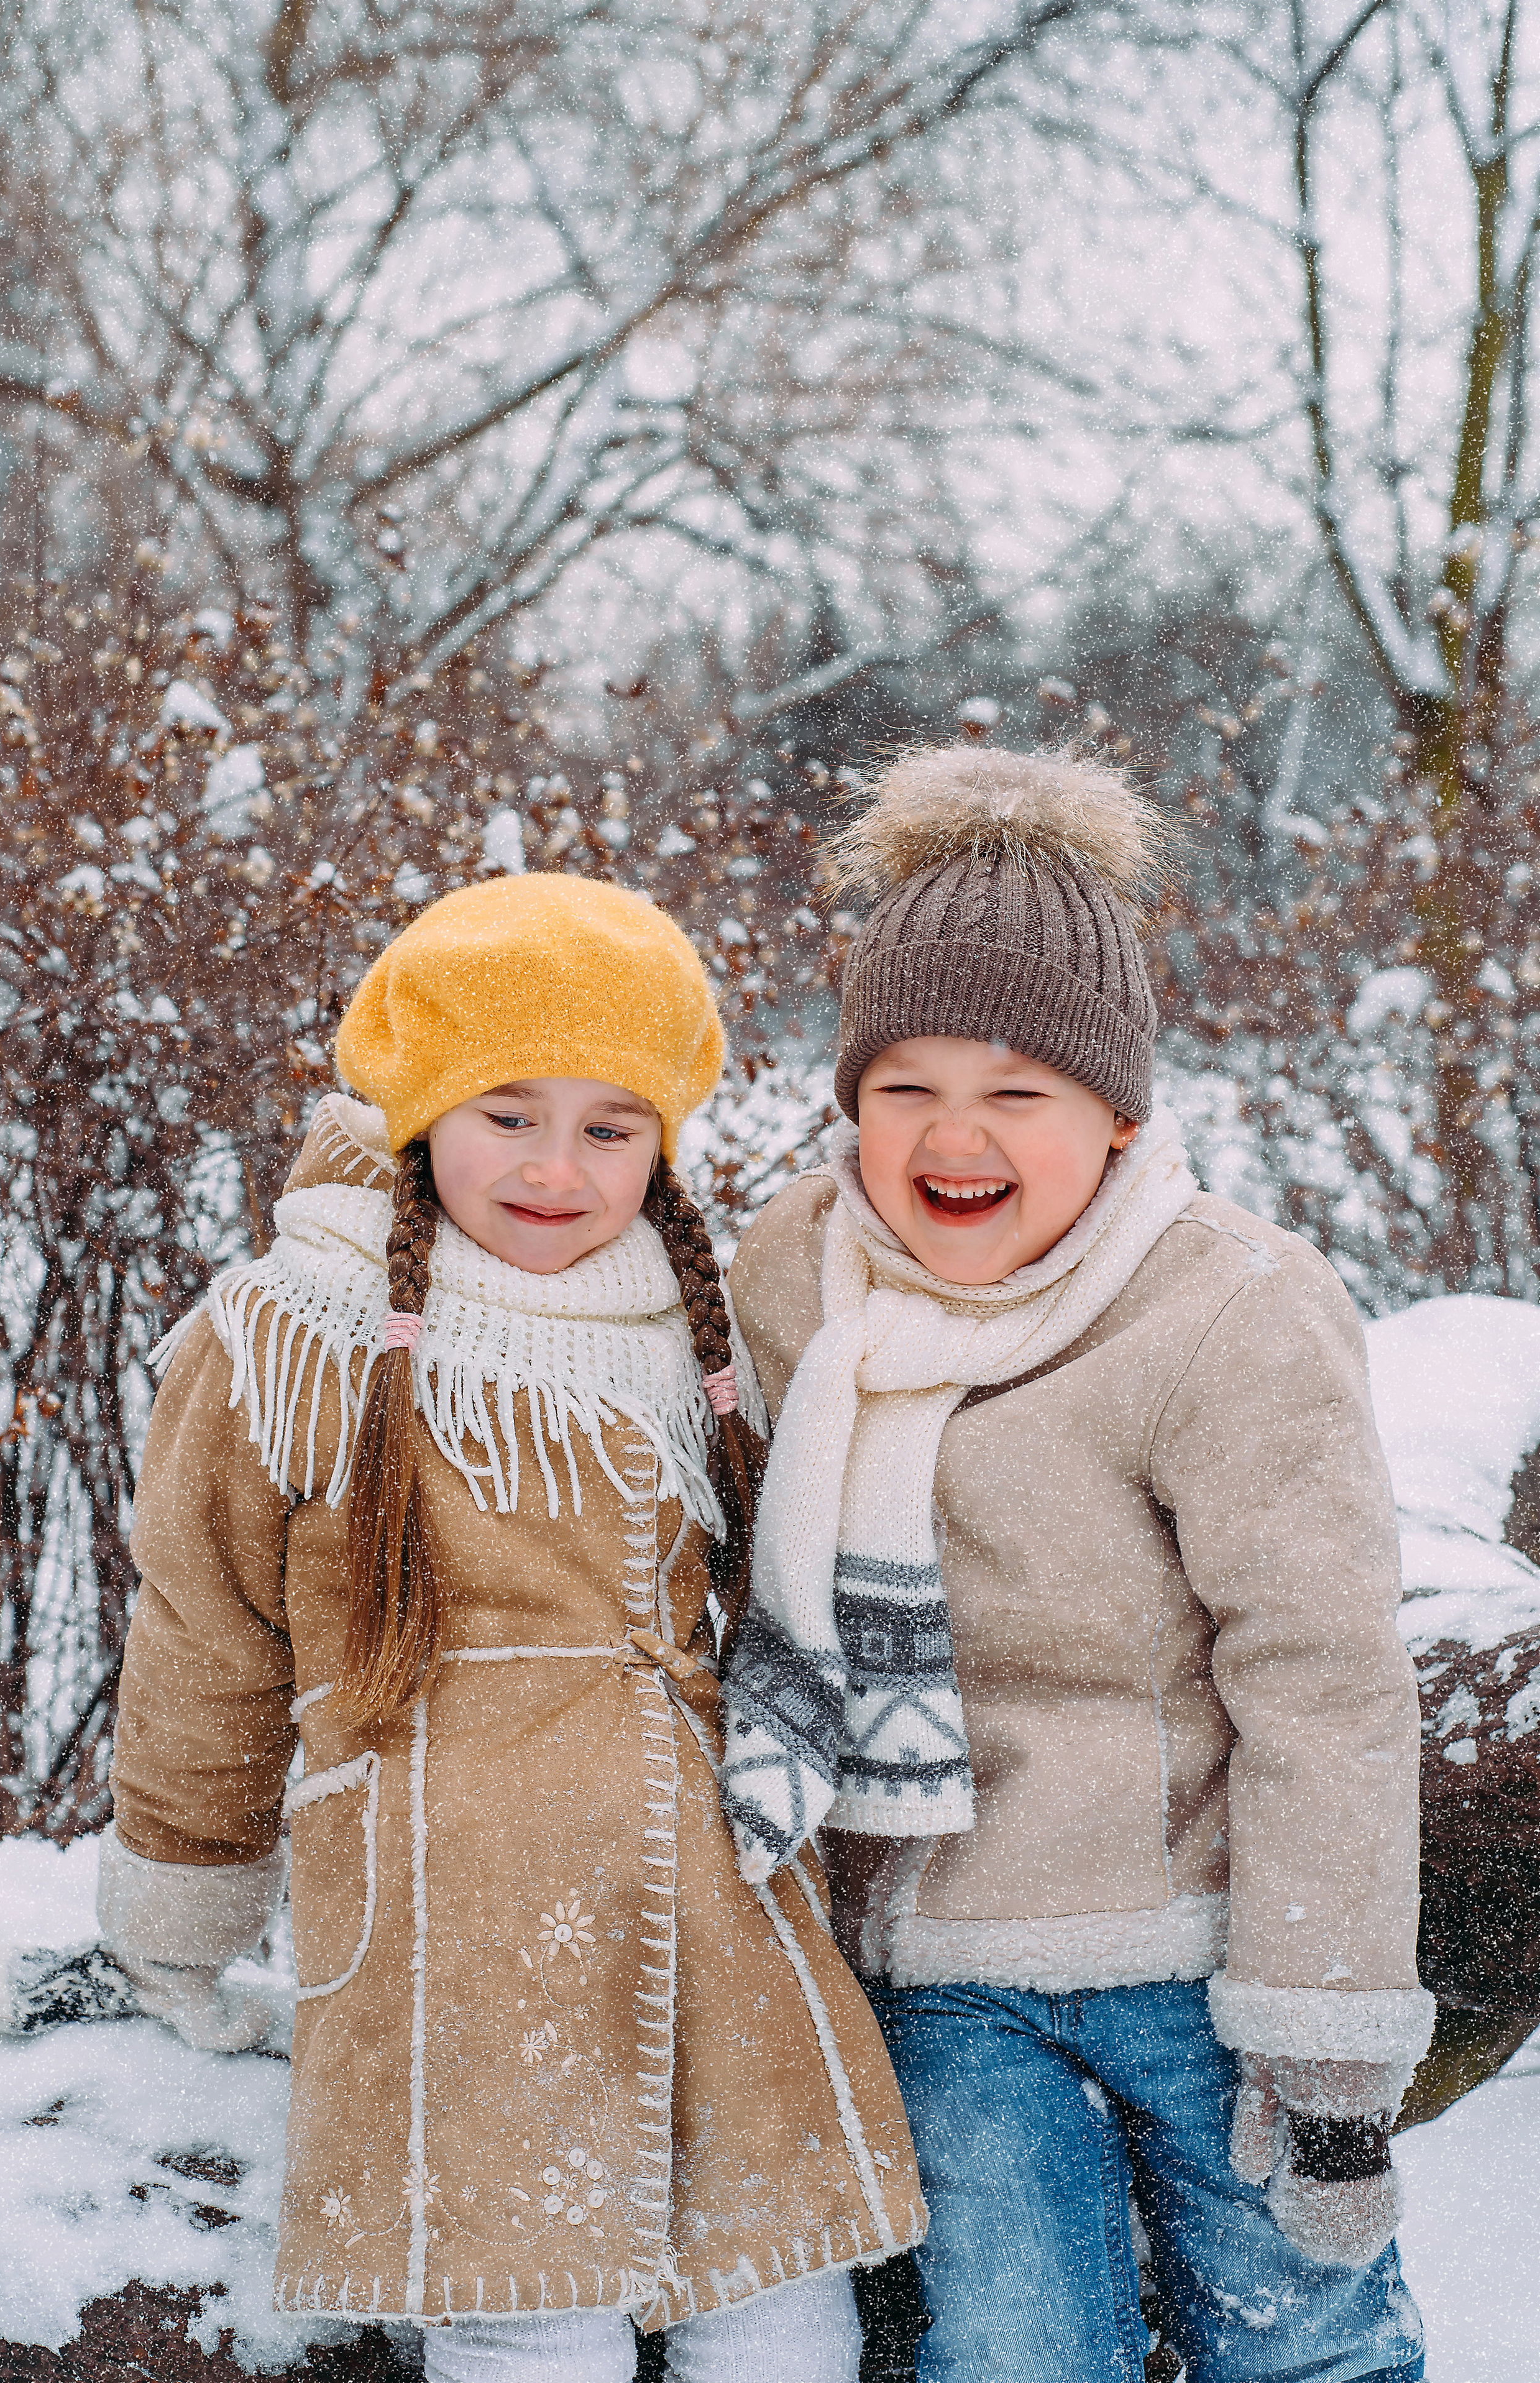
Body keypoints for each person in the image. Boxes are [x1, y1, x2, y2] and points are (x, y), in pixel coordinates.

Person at [0, 876, 925, 2382]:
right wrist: (182, 1912)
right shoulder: (294, 1328)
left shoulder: (687, 1323)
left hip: (709, 1905)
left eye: (611, 1127)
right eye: (506, 1113)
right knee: (529, 2307)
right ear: (417, 1110)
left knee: (774, 2291)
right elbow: (207, 1643)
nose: (557, 1168)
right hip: (449, 1921)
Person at [719, 748, 1432, 2383]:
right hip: (947, 1968)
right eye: (904, 1086)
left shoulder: (1227, 1312)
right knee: (1019, 2355)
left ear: (1117, 1113)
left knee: (1304, 2344)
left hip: (1204, 1960)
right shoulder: (793, 1285)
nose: (953, 1136)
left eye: (1017, 1091)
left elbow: (1322, 1675)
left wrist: (1325, 2034)